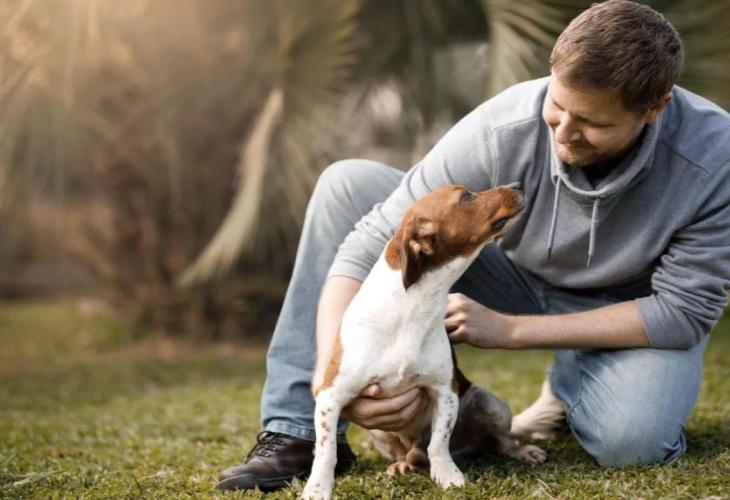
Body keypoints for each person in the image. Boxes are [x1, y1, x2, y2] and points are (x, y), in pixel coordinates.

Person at [216, 0, 730, 492]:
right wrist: (331, 373)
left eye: (592, 123)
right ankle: (294, 430)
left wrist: (509, 330)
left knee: (634, 443)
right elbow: (366, 243)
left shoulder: (715, 157)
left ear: (655, 109)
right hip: (511, 275)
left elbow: (681, 313)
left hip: (625, 308)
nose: (564, 134)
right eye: (557, 107)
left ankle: (576, 382)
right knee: (346, 185)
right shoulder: (503, 124)